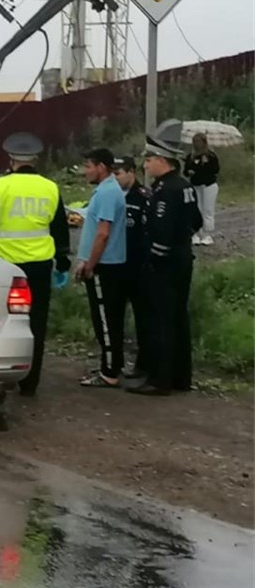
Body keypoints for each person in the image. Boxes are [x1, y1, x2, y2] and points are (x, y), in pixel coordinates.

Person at [0, 132, 72, 397]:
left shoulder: (1, 186)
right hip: (39, 265)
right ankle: (30, 383)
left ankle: (1, 376)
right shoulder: (50, 187)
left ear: (11, 159)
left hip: (7, 268)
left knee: (2, 322)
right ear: (35, 160)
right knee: (36, 323)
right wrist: (62, 261)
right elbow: (60, 228)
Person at [128, 120, 203, 397]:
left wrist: (156, 258)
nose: (145, 166)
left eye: (149, 160)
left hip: (165, 265)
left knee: (161, 320)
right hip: (183, 260)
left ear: (162, 160)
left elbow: (161, 229)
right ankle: (181, 377)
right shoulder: (184, 185)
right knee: (179, 319)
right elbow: (194, 221)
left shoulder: (164, 190)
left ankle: (160, 380)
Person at [75, 148, 128, 388]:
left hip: (104, 267)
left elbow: (103, 234)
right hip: (104, 265)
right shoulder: (106, 190)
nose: (85, 171)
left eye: (89, 166)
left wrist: (90, 265)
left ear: (102, 167)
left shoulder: (107, 192)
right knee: (109, 318)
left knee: (105, 321)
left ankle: (109, 372)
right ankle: (112, 363)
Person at [112, 155, 150, 378]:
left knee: (143, 318)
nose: (115, 178)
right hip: (116, 266)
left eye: (118, 174)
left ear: (131, 172)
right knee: (114, 318)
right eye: (113, 174)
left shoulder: (144, 197)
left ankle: (142, 365)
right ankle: (113, 364)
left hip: (137, 267)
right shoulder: (111, 195)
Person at [184, 132, 219, 246]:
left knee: (208, 210)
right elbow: (186, 170)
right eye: (194, 142)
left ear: (204, 143)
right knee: (197, 209)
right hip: (195, 185)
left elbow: (216, 170)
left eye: (198, 142)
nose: (196, 144)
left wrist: (206, 164)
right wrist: (189, 172)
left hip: (208, 185)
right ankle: (197, 233)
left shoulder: (211, 156)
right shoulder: (190, 157)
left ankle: (207, 234)